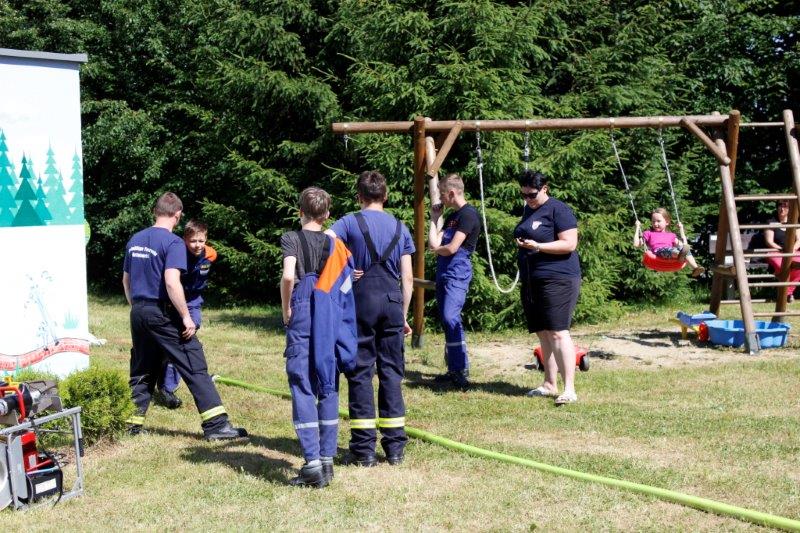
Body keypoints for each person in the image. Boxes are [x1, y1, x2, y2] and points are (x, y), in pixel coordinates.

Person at [122, 192, 246, 440]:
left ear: (155, 211)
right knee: (194, 363)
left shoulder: (135, 239)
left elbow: (126, 280)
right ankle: (216, 426)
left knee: (142, 369)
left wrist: (137, 307)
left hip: (138, 311)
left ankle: (130, 424)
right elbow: (171, 282)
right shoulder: (173, 243)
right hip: (161, 312)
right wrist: (186, 317)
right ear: (177, 215)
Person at [328, 170, 414, 467]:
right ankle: (395, 448)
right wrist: (403, 315)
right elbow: (408, 278)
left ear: (359, 197)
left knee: (360, 371)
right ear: (385, 196)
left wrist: (345, 270)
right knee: (391, 372)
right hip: (392, 302)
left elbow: (324, 242)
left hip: (361, 302)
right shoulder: (400, 227)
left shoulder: (349, 222)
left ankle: (364, 449)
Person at [280, 187, 357, 487]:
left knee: (302, 381)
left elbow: (289, 275)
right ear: (326, 215)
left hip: (302, 308)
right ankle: (327, 460)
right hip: (329, 312)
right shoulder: (334, 242)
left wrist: (286, 308)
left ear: (300, 211)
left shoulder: (291, 238)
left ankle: (311, 463)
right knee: (327, 380)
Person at [513, 171, 581, 405]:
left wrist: (538, 246)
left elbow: (569, 244)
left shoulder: (558, 210)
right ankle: (549, 384)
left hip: (558, 278)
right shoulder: (529, 209)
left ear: (545, 189)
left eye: (532, 195)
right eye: (523, 195)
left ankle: (569, 389)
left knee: (558, 332)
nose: (528, 199)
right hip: (532, 279)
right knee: (543, 332)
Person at [156, 220, 217, 409]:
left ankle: (167, 385)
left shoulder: (211, 254)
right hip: (174, 300)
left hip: (193, 301)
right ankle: (165, 383)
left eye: (201, 241)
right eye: (193, 241)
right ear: (184, 239)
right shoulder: (177, 253)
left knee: (186, 334)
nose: (197, 245)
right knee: (175, 342)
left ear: (206, 239)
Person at [428, 173, 481, 390]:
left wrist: (436, 250)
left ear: (451, 193)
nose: (441, 199)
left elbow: (451, 248)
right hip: (444, 271)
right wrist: (434, 219)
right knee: (446, 319)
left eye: (442, 194)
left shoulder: (468, 215)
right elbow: (434, 242)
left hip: (457, 272)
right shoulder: (452, 217)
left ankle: (461, 369)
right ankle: (453, 369)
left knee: (451, 318)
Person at [634, 207, 704, 277]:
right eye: (653, 221)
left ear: (667, 222)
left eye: (658, 221)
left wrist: (681, 229)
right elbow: (636, 244)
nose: (655, 224)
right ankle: (680, 255)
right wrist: (637, 228)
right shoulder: (648, 233)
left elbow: (684, 245)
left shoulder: (671, 235)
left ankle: (695, 268)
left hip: (672, 254)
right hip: (659, 252)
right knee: (669, 250)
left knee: (684, 249)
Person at [762, 199, 800, 303]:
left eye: (785, 206)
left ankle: (787, 293)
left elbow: (799, 240)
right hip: (775, 252)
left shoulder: (794, 222)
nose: (782, 209)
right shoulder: (771, 222)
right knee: (783, 266)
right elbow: (769, 242)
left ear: (790, 209)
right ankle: (785, 293)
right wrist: (781, 249)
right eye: (780, 206)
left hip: (792, 252)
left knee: (798, 265)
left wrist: (792, 249)